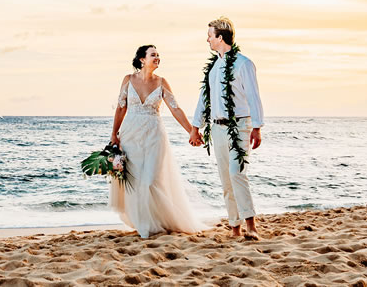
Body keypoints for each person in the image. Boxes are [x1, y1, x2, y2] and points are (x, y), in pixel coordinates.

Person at [108, 44, 203, 238]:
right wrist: (114, 134)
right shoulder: (128, 80)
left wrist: (192, 132)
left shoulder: (162, 82)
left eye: (158, 55)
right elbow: (120, 108)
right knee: (133, 181)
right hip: (130, 135)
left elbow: (175, 109)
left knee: (151, 180)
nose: (157, 57)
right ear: (142, 59)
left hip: (154, 135)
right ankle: (144, 224)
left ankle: (159, 220)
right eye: (153, 55)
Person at [192, 16, 264, 240]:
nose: (207, 40)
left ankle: (251, 224)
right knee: (225, 178)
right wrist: (196, 127)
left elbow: (253, 96)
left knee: (237, 174)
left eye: (210, 35)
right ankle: (235, 226)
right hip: (217, 129)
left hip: (240, 126)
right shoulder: (213, 68)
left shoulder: (244, 64)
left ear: (220, 37)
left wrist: (257, 127)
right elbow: (205, 98)